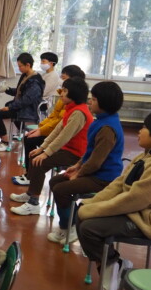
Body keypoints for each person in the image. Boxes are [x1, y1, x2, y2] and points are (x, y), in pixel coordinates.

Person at [76, 110, 151, 290]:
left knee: (90, 227)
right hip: (137, 211)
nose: (139, 131)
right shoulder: (147, 156)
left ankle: (111, 264)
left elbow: (133, 200)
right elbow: (119, 184)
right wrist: (92, 203)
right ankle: (113, 265)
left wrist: (94, 210)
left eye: (144, 127)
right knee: (82, 213)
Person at [46, 81, 125, 244]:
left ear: (105, 103)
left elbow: (96, 162)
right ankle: (70, 223)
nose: (90, 101)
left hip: (103, 178)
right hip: (93, 172)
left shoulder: (107, 129)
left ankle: (71, 226)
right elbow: (90, 152)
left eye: (94, 99)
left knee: (61, 189)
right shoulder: (101, 120)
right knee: (54, 181)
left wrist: (78, 174)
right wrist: (77, 166)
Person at [10, 77, 93, 215]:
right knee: (35, 156)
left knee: (40, 162)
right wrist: (42, 148)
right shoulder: (71, 109)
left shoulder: (79, 113)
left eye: (65, 91)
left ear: (74, 94)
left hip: (76, 154)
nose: (61, 94)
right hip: (67, 149)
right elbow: (57, 131)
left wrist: (46, 153)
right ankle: (31, 193)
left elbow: (63, 137)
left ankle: (34, 203)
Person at [12, 65, 86, 186]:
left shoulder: (77, 110)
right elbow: (54, 118)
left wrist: (44, 148)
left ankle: (31, 184)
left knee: (37, 153)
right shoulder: (68, 103)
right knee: (31, 142)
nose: (62, 84)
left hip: (70, 148)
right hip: (57, 137)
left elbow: (62, 133)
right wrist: (40, 129)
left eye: (64, 79)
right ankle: (29, 177)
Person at [0, 53, 45, 152]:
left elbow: (26, 100)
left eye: (20, 66)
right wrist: (7, 89)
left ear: (28, 65)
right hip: (22, 107)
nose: (19, 68)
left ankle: (6, 141)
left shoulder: (35, 81)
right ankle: (8, 138)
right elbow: (19, 91)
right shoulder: (25, 75)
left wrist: (10, 107)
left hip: (28, 110)